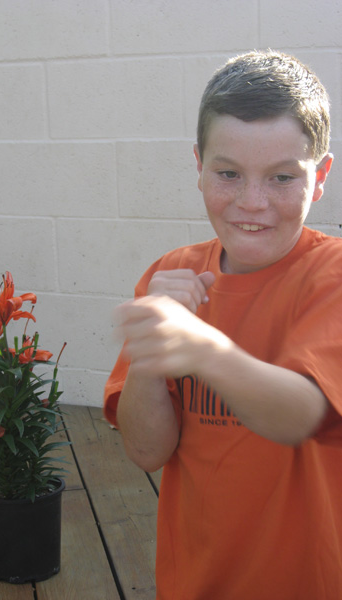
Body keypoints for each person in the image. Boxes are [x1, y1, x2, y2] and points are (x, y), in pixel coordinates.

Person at [103, 50, 342, 600]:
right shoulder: (170, 275)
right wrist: (150, 358)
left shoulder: (331, 276)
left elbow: (297, 414)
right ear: (198, 166)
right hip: (195, 579)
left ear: (320, 177)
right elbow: (145, 452)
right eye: (228, 173)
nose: (252, 202)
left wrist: (201, 349)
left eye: (282, 177)